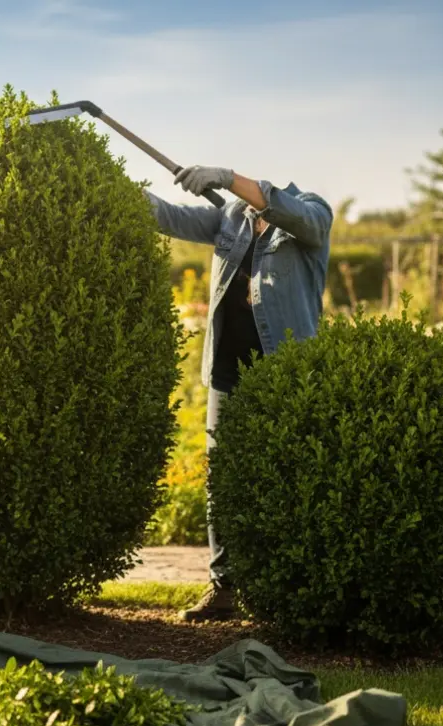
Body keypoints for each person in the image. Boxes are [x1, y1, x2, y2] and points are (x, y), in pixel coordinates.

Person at [144, 165, 332, 621]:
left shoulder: (312, 213)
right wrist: (118, 186)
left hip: (283, 371)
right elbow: (168, 217)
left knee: (287, 479)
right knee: (221, 482)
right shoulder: (230, 217)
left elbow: (284, 208)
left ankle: (290, 592)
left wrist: (227, 177)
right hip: (227, 371)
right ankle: (224, 588)